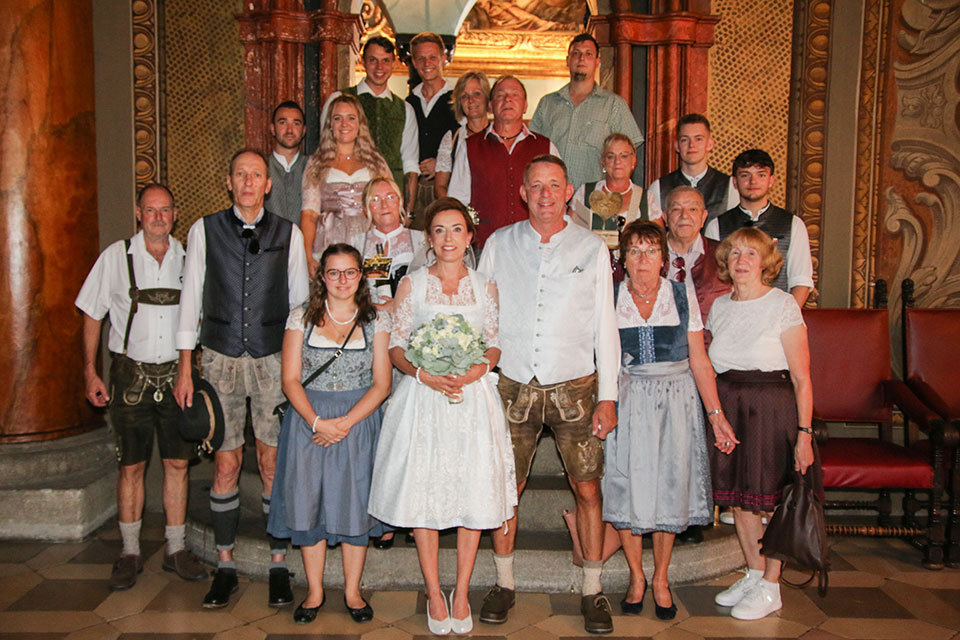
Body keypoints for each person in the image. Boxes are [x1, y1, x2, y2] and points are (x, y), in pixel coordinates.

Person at [478, 156, 620, 635]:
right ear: (523, 192)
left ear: (567, 192)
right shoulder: (499, 243)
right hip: (512, 382)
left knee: (588, 487)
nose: (544, 195)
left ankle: (592, 588)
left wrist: (609, 395)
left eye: (553, 185)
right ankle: (504, 583)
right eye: (536, 186)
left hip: (575, 386)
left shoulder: (591, 247)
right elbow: (482, 314)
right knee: (507, 489)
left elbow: (605, 326)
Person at [368, 198, 516, 636]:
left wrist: (475, 371)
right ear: (429, 240)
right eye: (438, 230)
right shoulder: (412, 285)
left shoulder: (486, 286)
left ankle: (462, 590)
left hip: (472, 399)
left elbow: (493, 343)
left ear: (469, 237)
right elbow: (397, 346)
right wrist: (423, 374)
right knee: (424, 494)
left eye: (456, 229)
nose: (448, 238)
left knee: (473, 493)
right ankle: (434, 591)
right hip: (424, 398)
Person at [174, 149, 309, 610]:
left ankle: (278, 564)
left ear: (268, 185)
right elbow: (190, 299)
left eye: (256, 175)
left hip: (272, 360)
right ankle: (225, 565)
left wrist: (296, 368)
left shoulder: (289, 233)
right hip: (219, 358)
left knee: (271, 463)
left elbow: (300, 304)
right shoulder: (204, 230)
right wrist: (185, 366)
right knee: (226, 464)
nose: (248, 182)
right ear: (228, 182)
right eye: (240, 175)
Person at [76, 184, 206, 591]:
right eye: (150, 210)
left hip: (178, 376)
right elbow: (92, 314)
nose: (158, 217)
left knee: (177, 464)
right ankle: (130, 551)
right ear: (138, 213)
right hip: (129, 376)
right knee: (131, 466)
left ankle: (175, 548)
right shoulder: (116, 257)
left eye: (165, 210)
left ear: (175, 214)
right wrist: (90, 371)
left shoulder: (190, 258)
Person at [603, 221, 728, 619]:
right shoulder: (609, 297)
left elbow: (699, 360)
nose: (643, 259)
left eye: (651, 251)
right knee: (626, 484)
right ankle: (636, 576)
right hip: (627, 397)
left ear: (663, 259)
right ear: (623, 259)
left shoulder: (680, 294)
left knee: (669, 487)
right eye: (635, 251)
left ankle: (661, 578)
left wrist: (716, 415)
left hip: (676, 400)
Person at [268, 243, 391, 625]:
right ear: (322, 276)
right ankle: (315, 590)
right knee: (309, 504)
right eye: (334, 272)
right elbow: (290, 380)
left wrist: (346, 422)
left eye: (350, 272)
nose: (342, 280)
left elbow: (382, 384)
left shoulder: (376, 320)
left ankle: (353, 591)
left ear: (361, 276)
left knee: (355, 504)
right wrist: (318, 422)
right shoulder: (300, 318)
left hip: (358, 420)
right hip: (309, 422)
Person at [705, 227, 820, 620]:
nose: (741, 261)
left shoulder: (783, 305)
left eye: (751, 254)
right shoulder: (719, 306)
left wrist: (804, 434)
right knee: (740, 499)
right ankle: (755, 574)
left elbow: (802, 378)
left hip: (772, 409)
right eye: (735, 253)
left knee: (772, 501)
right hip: (730, 409)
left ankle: (772, 586)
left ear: (765, 262)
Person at [448, 75, 558, 248]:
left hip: (534, 246)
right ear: (490, 106)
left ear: (525, 105)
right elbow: (457, 201)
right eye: (500, 95)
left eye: (515, 94)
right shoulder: (469, 147)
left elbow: (558, 201)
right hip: (484, 246)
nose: (507, 99)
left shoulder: (546, 146)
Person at [529, 33, 643, 191]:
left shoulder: (614, 105)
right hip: (552, 196)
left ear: (597, 62)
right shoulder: (547, 104)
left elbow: (628, 153)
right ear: (568, 60)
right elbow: (532, 151)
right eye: (576, 53)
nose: (581, 58)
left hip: (596, 198)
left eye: (588, 54)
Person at [705, 149, 814, 306]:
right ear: (734, 182)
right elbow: (714, 282)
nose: (753, 181)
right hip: (733, 312)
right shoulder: (716, 226)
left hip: (777, 314)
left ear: (771, 180)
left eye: (761, 175)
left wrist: (785, 316)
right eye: (745, 175)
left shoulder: (793, 224)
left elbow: (801, 282)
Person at [319, 37, 420, 206]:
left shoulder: (405, 109)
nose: (379, 67)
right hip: (347, 197)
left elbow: (410, 163)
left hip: (389, 201)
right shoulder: (338, 100)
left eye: (385, 61)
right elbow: (325, 148)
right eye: (373, 60)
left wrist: (408, 209)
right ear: (363, 61)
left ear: (393, 64)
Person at [301, 94, 392, 275]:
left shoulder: (376, 162)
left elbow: (391, 206)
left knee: (373, 287)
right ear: (330, 125)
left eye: (351, 118)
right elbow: (309, 215)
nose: (344, 124)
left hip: (369, 239)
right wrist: (307, 255)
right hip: (329, 240)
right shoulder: (316, 163)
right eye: (338, 118)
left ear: (360, 124)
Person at [349, 176, 425, 313]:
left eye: (390, 197)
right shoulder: (355, 243)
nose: (384, 205)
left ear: (400, 201)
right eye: (376, 199)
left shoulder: (421, 240)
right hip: (369, 315)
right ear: (365, 208)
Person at [645, 113, 739, 224]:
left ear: (709, 144)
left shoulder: (730, 187)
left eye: (698, 139)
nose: (691, 145)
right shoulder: (659, 188)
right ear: (677, 146)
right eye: (685, 140)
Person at [406, 32, 459, 225]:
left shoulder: (458, 99)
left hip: (447, 188)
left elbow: (467, 143)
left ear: (443, 59)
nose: (427, 63)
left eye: (432, 57)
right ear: (414, 62)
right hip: (415, 190)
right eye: (421, 58)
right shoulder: (408, 102)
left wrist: (442, 163)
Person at [570, 132, 649, 252]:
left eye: (624, 156)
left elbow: (657, 243)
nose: (617, 161)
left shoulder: (647, 198)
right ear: (603, 162)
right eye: (611, 156)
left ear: (633, 161)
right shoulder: (585, 192)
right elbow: (569, 234)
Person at [435, 71, 490, 199]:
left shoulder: (500, 135)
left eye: (477, 94)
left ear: (487, 99)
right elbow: (440, 186)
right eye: (464, 96)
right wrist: (455, 208)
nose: (471, 100)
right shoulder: (452, 138)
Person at [267, 101, 308, 225]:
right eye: (283, 123)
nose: (289, 130)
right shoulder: (261, 168)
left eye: (296, 123)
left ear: (303, 130)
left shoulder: (314, 167)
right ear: (273, 129)